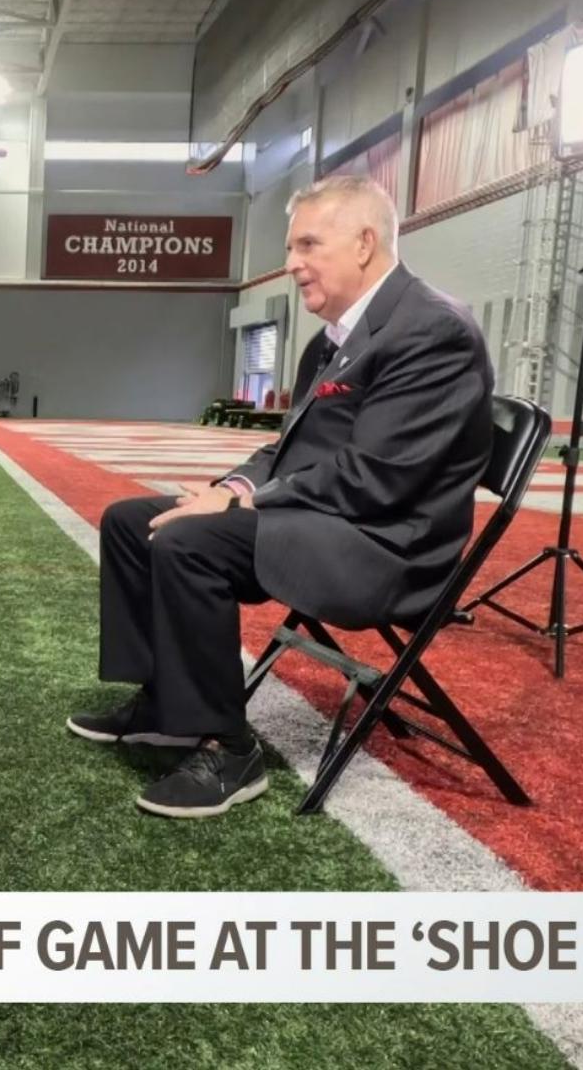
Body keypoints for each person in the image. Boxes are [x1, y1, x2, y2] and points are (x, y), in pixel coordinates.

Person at [69, 175, 493, 820]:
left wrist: (239, 509)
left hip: (385, 547)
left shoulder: (432, 331)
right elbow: (288, 449)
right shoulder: (338, 336)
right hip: (328, 518)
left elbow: (378, 477)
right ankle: (167, 705)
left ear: (364, 243)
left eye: (307, 245)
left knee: (189, 540)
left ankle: (229, 749)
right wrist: (231, 488)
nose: (291, 263)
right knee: (134, 520)